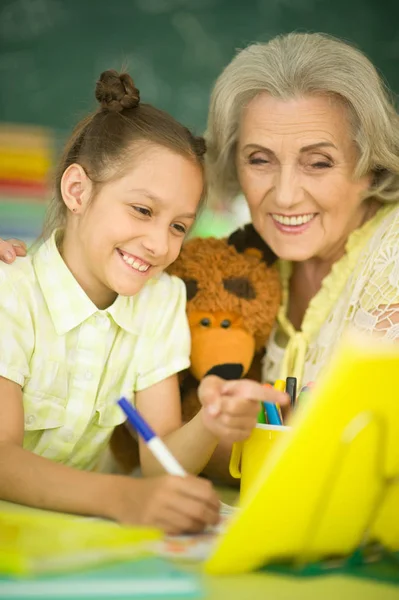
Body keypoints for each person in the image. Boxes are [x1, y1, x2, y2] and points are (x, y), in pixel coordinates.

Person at [0, 69, 288, 532]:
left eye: (178, 226)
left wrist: (211, 418)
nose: (160, 244)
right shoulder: (9, 291)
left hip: (74, 543)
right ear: (77, 190)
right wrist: (124, 497)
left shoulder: (161, 300)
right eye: (143, 210)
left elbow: (159, 463)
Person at [204, 31, 399, 391]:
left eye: (318, 163)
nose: (286, 196)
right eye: (260, 160)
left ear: (371, 164)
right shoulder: (245, 259)